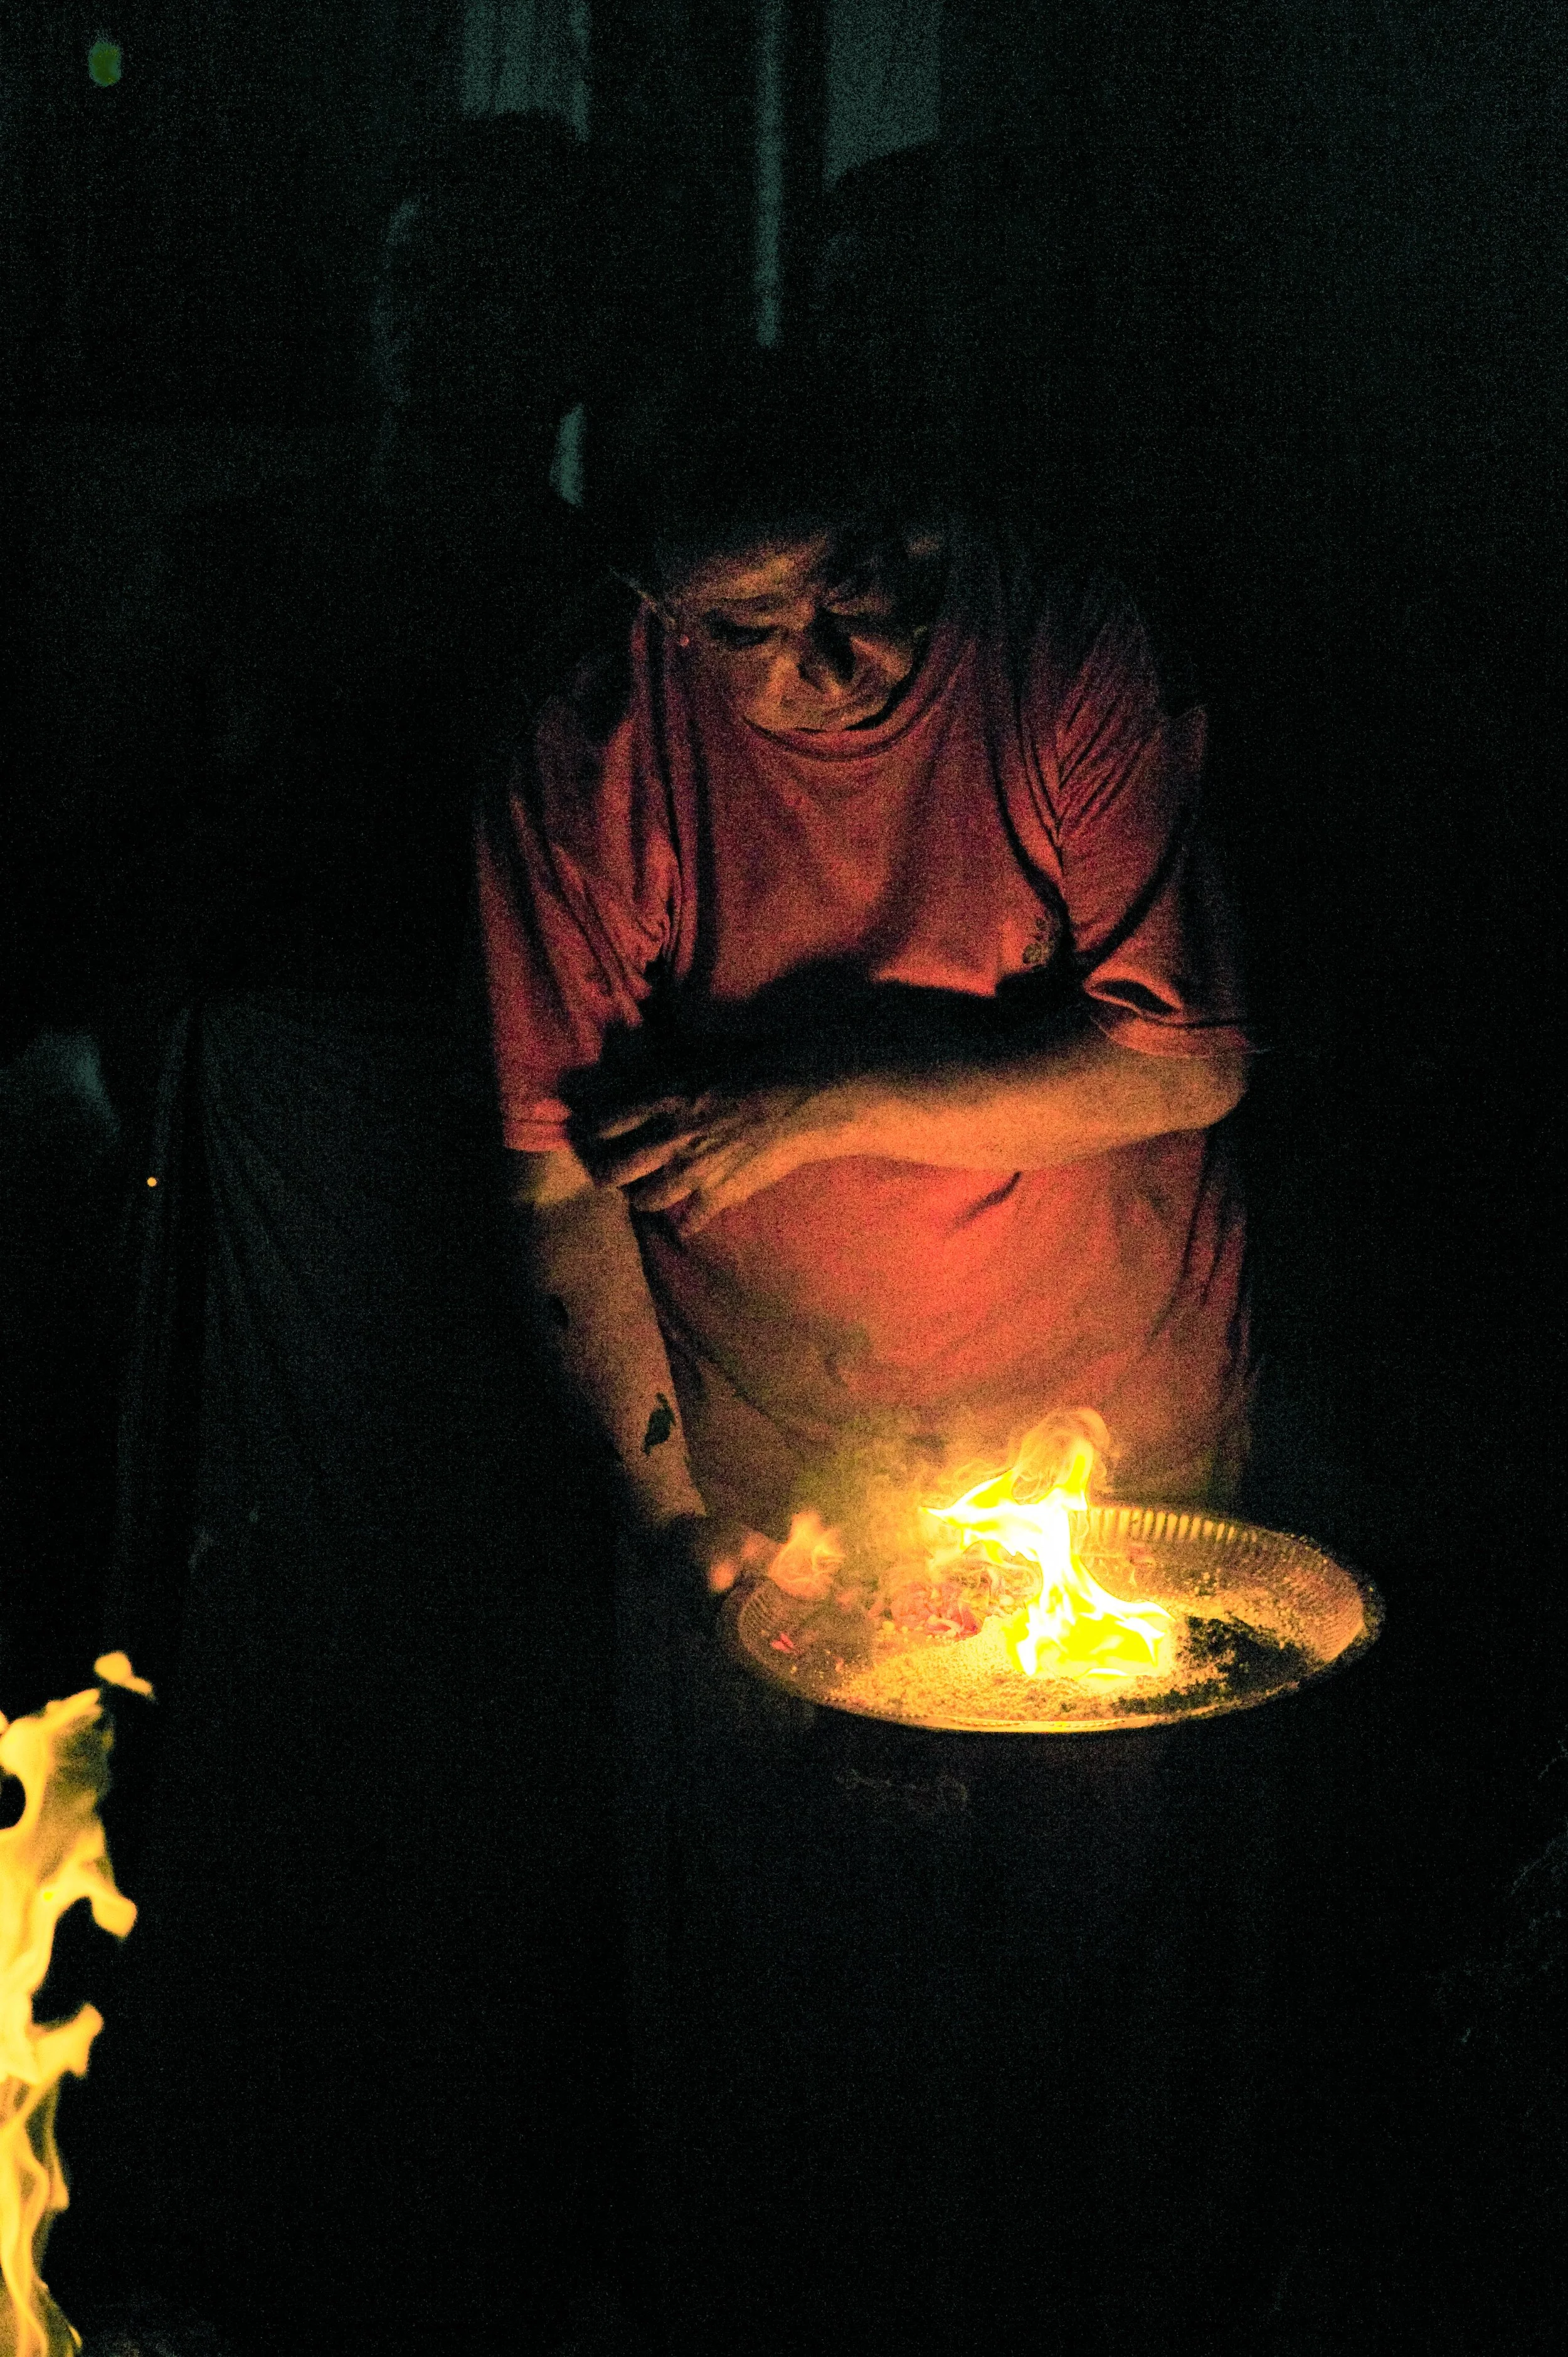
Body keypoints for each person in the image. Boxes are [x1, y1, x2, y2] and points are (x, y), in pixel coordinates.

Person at [478, 353, 1254, 1615]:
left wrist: (809, 1104)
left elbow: (1186, 1060)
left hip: (1108, 1405)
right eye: (744, 634)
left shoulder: (1058, 649)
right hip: (776, 1453)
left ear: (913, 529)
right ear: (658, 610)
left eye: (851, 592)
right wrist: (669, 1513)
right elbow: (557, 1175)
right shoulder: (588, 744)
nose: (824, 667)